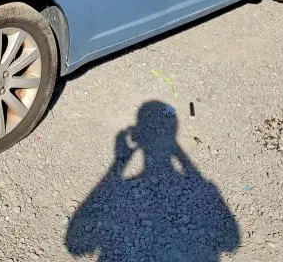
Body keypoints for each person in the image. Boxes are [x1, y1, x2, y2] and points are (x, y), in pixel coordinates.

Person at [66, 101, 239, 262]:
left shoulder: (125, 190)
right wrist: (178, 151)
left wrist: (120, 162)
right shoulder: (204, 190)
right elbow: (231, 241)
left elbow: (75, 245)